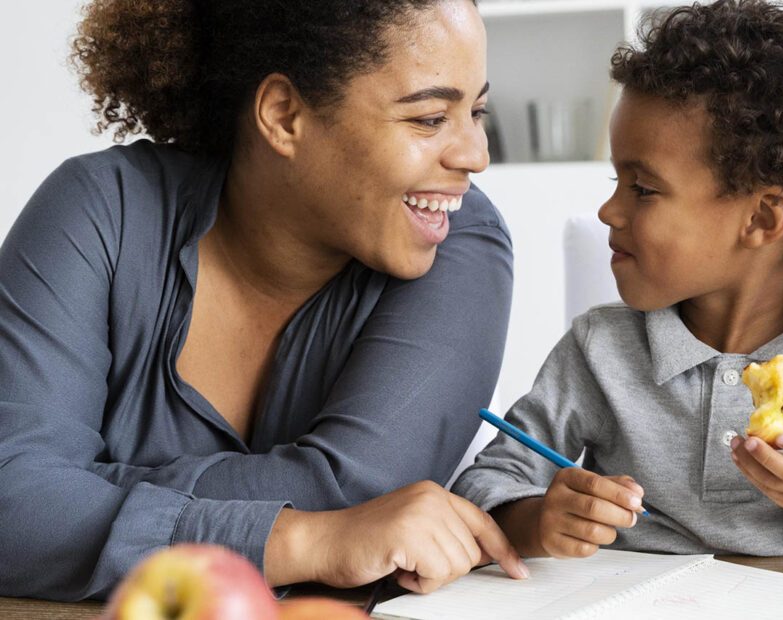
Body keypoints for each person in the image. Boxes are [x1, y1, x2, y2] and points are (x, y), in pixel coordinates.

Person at [0, 0, 531, 602]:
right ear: (284, 115)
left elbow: (355, 493)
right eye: (430, 118)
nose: (476, 155)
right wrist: (303, 540)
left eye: (477, 110)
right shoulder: (101, 211)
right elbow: (9, 507)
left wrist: (78, 495)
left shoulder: (458, 242)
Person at [453, 0, 783, 561]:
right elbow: (486, 483)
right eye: (616, 179)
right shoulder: (599, 348)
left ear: (761, 219)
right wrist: (537, 519)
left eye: (644, 189)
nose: (608, 211)